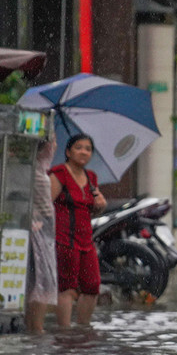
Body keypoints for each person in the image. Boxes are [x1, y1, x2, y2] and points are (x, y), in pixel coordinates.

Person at [49, 133, 106, 327]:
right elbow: (45, 205)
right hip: (64, 238)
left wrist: (100, 205)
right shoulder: (58, 174)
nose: (83, 152)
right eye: (78, 147)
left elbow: (91, 209)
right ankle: (64, 332)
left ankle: (83, 330)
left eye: (88, 148)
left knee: (92, 286)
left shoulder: (91, 177)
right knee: (67, 288)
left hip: (85, 240)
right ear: (68, 152)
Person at [25, 139, 57, 333]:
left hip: (43, 231)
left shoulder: (39, 170)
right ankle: (36, 328)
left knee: (39, 282)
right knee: (41, 283)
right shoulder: (35, 172)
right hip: (38, 232)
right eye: (52, 143)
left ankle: (34, 326)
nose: (55, 146)